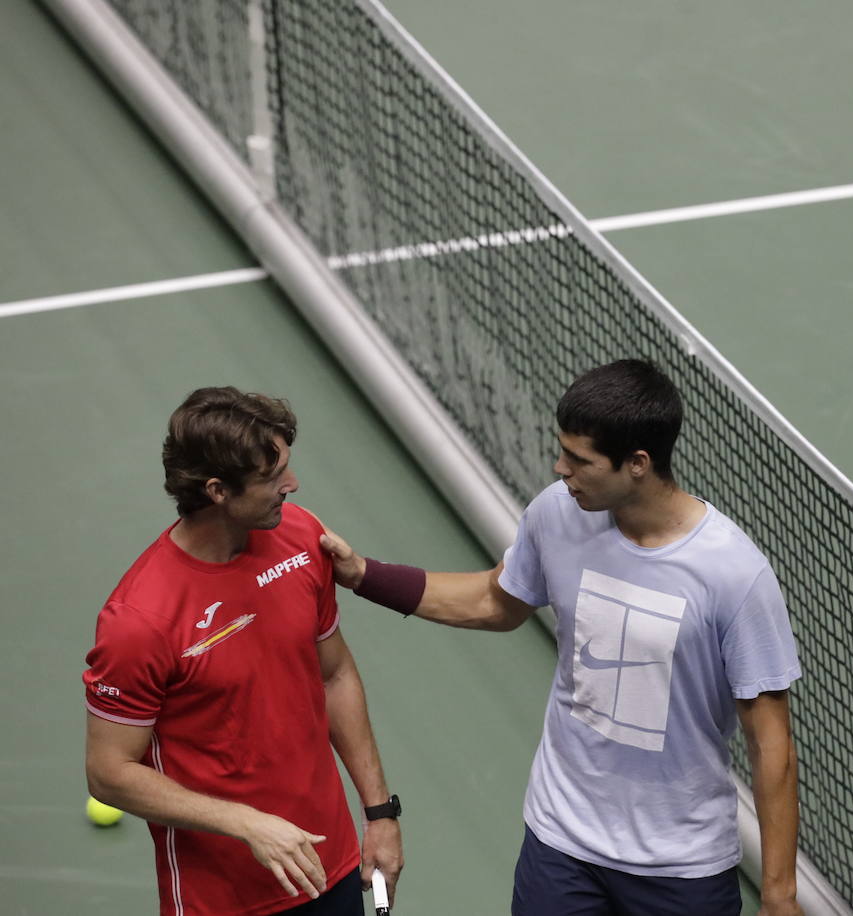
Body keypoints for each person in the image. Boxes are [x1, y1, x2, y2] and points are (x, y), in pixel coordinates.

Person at [320, 359, 803, 916]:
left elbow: (771, 743)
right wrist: (364, 576)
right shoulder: (558, 514)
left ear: (638, 464)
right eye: (562, 451)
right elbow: (494, 601)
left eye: (580, 459)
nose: (560, 468)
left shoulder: (734, 575)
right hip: (562, 842)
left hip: (681, 866)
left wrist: (780, 894)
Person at [83, 387, 403, 916]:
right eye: (272, 477)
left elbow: (335, 676)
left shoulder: (302, 538)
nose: (292, 486)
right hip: (226, 896)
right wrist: (245, 822)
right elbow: (109, 772)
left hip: (330, 861)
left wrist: (380, 812)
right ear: (217, 491)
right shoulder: (139, 620)